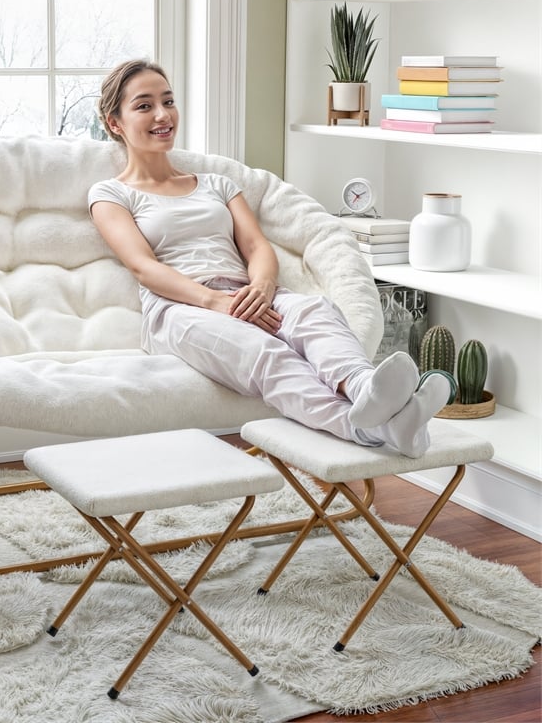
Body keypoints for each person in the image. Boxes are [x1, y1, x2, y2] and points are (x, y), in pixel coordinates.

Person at [88, 59, 451, 458]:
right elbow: (144, 267)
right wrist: (215, 302)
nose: (162, 115)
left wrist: (261, 286)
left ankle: (367, 389)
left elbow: (257, 247)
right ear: (115, 123)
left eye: (168, 101)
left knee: (317, 311)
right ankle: (371, 429)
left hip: (248, 292)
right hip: (179, 308)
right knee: (265, 352)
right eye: (144, 106)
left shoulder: (216, 184)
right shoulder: (111, 194)